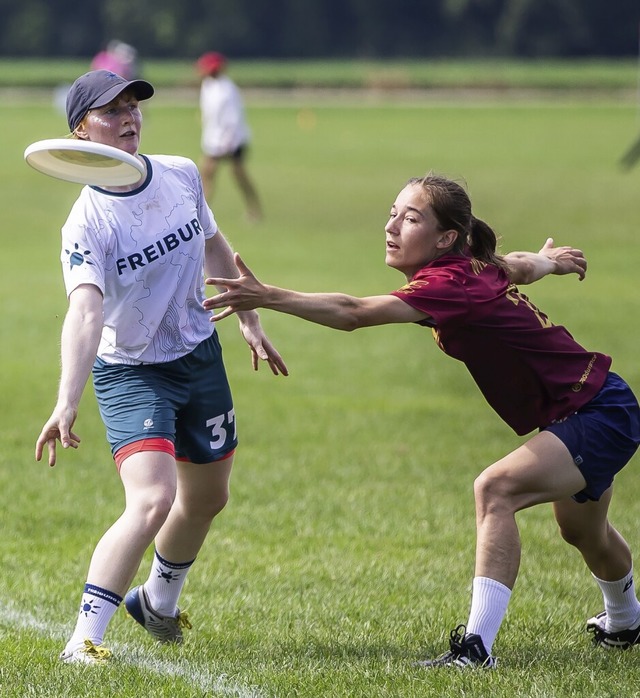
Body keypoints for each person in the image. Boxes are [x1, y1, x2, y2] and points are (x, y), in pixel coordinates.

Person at [203, 173, 640, 668]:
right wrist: (552, 263)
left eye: (410, 218)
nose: (391, 226)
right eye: (392, 212)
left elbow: (353, 312)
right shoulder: (470, 267)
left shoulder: (450, 282)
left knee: (495, 490)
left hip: (597, 411)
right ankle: (626, 622)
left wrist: (268, 296)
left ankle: (476, 650)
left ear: (446, 237)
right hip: (596, 404)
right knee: (584, 533)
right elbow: (517, 265)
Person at [34, 69, 288, 664]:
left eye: (133, 106)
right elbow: (85, 313)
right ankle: (85, 641)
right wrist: (67, 400)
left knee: (206, 499)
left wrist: (248, 315)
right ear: (79, 131)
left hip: (199, 353)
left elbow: (212, 244)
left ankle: (158, 604)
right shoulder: (86, 222)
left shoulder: (179, 173)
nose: (129, 118)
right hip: (131, 370)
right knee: (151, 500)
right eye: (111, 111)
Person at [196, 52, 262, 222]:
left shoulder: (228, 89)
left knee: (239, 175)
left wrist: (228, 142)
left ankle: (254, 209)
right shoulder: (207, 85)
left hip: (231, 140)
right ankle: (200, 214)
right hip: (213, 139)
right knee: (207, 175)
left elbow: (233, 118)